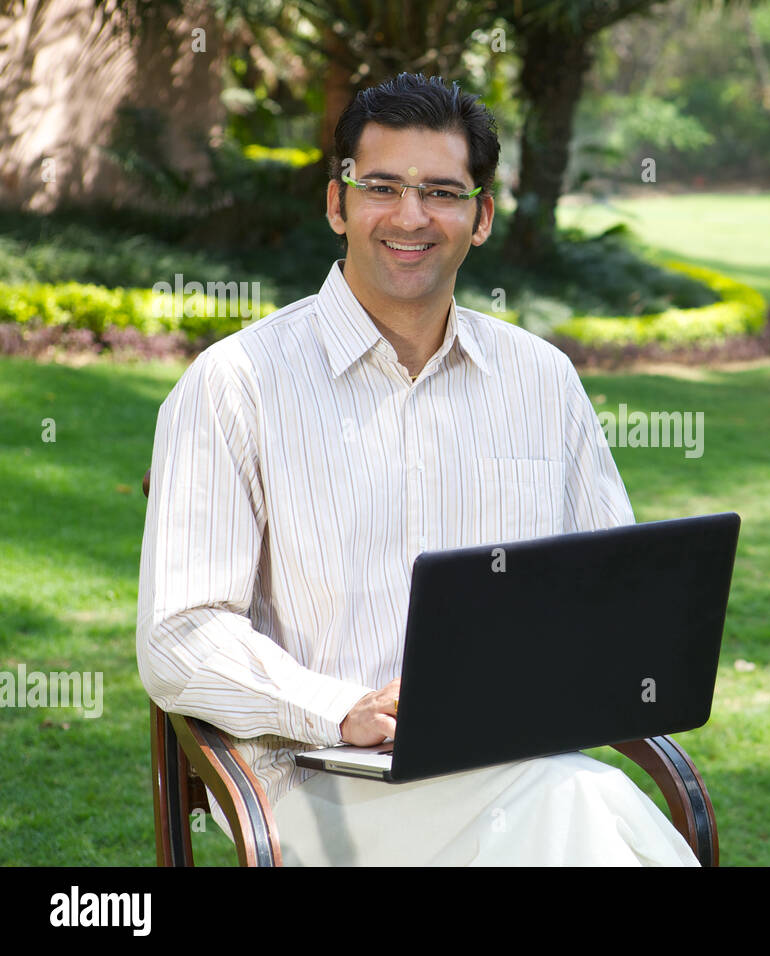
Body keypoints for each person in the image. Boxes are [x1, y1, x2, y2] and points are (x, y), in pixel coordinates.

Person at [135, 73, 699, 866]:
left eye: (441, 191)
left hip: (513, 766)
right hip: (314, 782)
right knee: (585, 811)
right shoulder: (235, 386)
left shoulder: (543, 381)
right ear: (338, 204)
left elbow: (609, 596)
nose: (410, 216)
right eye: (383, 187)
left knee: (577, 806)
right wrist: (344, 710)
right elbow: (180, 634)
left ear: (481, 218)